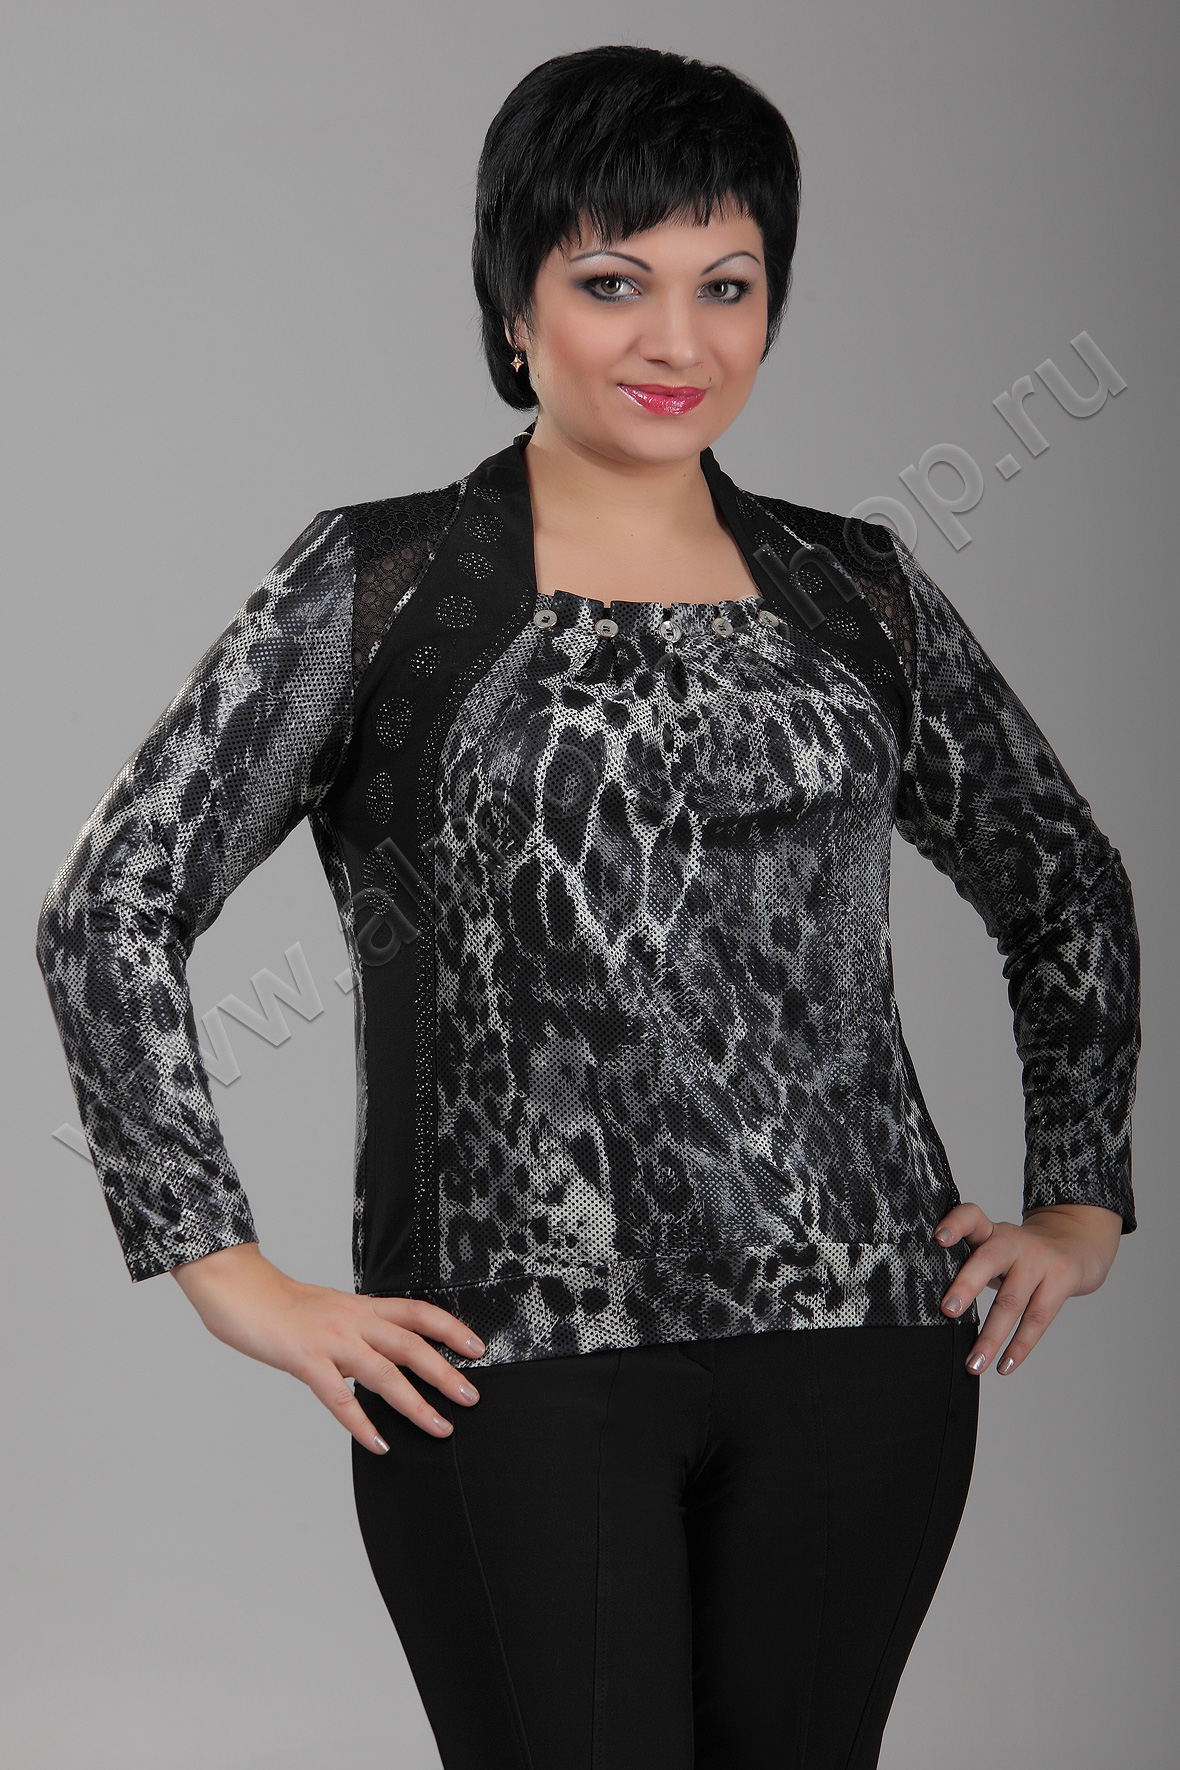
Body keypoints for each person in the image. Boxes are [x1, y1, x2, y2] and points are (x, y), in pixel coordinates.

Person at [35, 43, 1140, 1770]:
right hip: (511, 1362)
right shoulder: (388, 583)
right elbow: (110, 904)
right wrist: (222, 1267)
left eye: (728, 285)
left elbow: (1063, 877)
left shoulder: (857, 586)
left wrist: (1080, 1199)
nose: (676, 340)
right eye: (613, 282)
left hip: (862, 1347)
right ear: (513, 303)